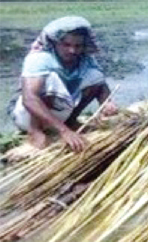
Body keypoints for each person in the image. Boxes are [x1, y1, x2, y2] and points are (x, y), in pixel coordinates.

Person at [6, 16, 118, 153]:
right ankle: (34, 131)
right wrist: (63, 131)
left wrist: (106, 103)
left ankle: (70, 121)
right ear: (56, 43)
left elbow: (100, 84)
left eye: (78, 46)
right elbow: (29, 99)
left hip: (59, 111)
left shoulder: (85, 60)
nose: (72, 51)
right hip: (26, 116)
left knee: (95, 76)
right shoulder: (40, 59)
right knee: (49, 80)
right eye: (67, 45)